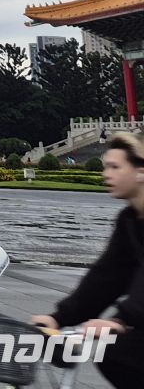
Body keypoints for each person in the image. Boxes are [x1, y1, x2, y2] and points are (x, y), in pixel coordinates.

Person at [30, 132, 144, 387]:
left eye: (115, 167)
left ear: (140, 171)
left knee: (119, 352)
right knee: (114, 354)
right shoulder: (129, 221)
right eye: (106, 167)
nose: (106, 174)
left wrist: (121, 320)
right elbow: (106, 277)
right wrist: (59, 318)